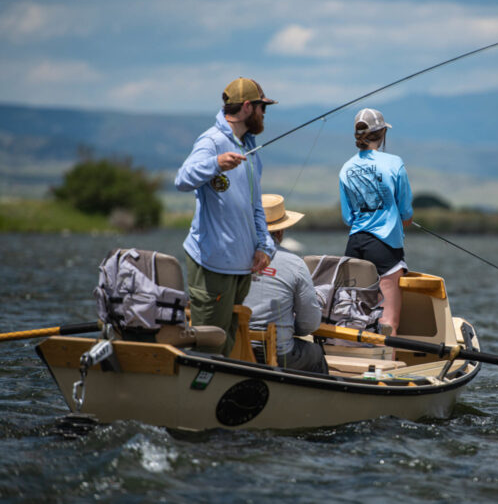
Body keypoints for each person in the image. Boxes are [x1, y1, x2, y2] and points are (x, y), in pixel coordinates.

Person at [175, 77, 277, 356]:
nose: (264, 114)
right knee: (207, 346)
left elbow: (255, 207)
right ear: (247, 107)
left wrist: (265, 247)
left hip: (241, 267)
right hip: (213, 264)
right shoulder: (211, 141)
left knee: (227, 345)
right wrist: (215, 164)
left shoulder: (250, 149)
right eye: (262, 108)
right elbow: (182, 180)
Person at [338, 108, 413, 336]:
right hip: (384, 246)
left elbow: (348, 217)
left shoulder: (345, 168)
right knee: (389, 319)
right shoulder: (394, 163)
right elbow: (406, 211)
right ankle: (384, 367)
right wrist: (402, 220)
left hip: (354, 245)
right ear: (382, 133)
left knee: (352, 315)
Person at [243, 194, 328, 373]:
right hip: (277, 353)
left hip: (235, 348)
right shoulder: (295, 264)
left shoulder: (229, 258)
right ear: (280, 232)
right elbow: (310, 324)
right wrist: (290, 328)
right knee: (315, 352)